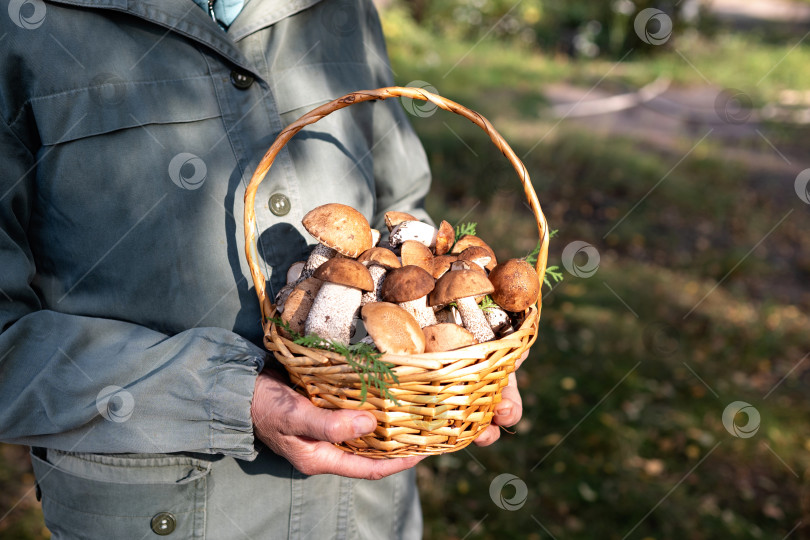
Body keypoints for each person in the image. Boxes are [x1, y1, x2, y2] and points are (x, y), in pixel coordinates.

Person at [0, 0, 526, 537]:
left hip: (367, 506)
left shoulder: (344, 10)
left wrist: (461, 349)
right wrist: (225, 394)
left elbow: (403, 204)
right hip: (160, 509)